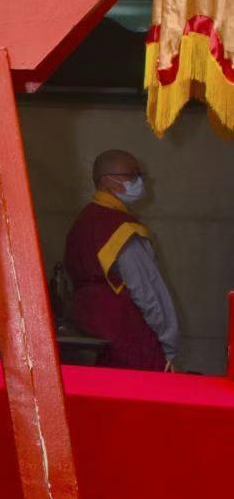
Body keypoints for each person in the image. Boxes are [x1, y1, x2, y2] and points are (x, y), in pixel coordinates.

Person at [64, 150, 178, 371]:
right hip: (130, 342)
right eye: (131, 175)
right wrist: (169, 344)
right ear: (107, 180)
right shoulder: (122, 230)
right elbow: (149, 293)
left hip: (90, 335)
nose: (139, 182)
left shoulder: (81, 223)